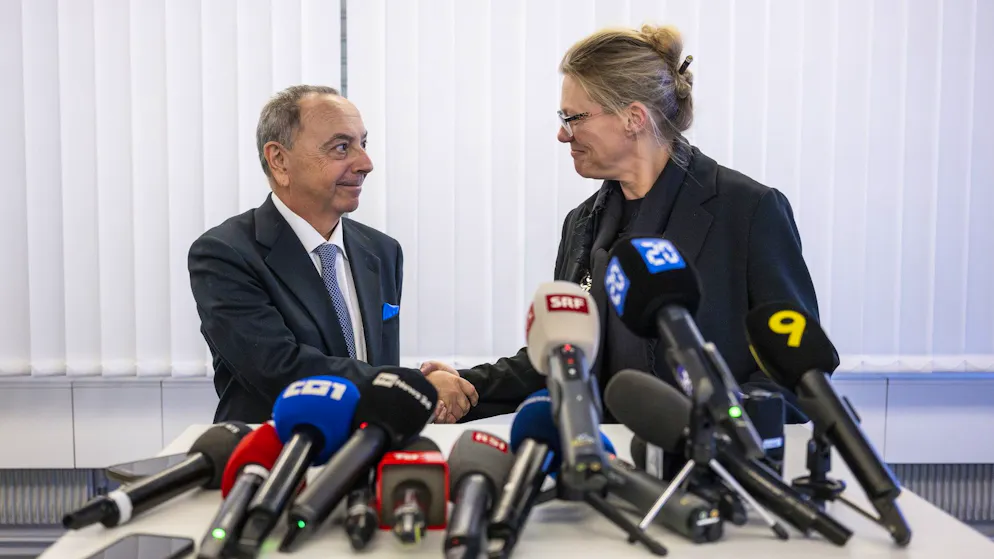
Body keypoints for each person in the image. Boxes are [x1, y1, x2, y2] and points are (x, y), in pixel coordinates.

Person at [423, 25, 835, 424]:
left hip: (716, 467)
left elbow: (796, 369)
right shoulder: (583, 223)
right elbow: (560, 357)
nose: (563, 135)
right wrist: (462, 386)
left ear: (633, 118)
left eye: (573, 118)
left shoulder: (749, 210)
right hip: (607, 464)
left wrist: (720, 424)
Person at [189, 85, 477, 423]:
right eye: (342, 147)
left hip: (368, 455)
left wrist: (435, 387)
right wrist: (416, 386)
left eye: (363, 144)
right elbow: (282, 370)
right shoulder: (224, 253)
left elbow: (373, 368)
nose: (366, 163)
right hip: (274, 461)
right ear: (279, 160)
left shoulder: (382, 251)